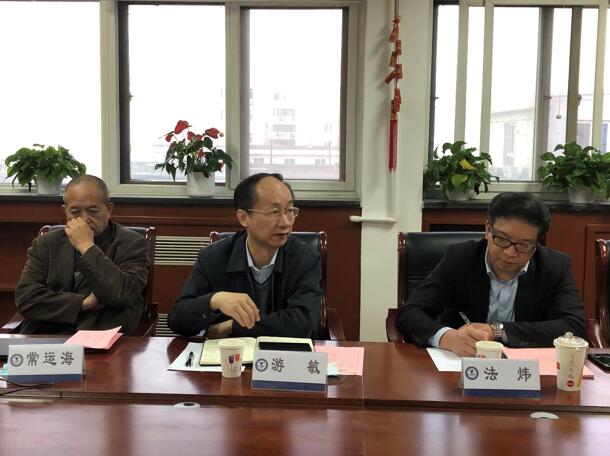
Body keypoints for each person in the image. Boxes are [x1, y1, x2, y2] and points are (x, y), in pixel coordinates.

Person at [396, 192, 586, 357]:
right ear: (488, 230)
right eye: (502, 239)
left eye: (523, 245)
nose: (510, 253)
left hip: (525, 370)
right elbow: (409, 313)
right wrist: (447, 337)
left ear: (537, 243)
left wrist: (497, 331)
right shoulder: (460, 258)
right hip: (461, 366)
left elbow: (574, 327)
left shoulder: (554, 266)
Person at [168, 173, 322, 339]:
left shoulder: (305, 258)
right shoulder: (214, 257)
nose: (286, 222)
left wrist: (233, 326)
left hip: (283, 353)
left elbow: (303, 323)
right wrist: (214, 300)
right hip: (230, 354)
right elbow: (177, 320)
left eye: (290, 210)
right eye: (274, 212)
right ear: (243, 218)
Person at [15, 175, 150, 335]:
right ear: (65, 211)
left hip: (99, 338)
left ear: (109, 209)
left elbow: (121, 295)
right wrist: (83, 303)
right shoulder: (47, 243)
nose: (85, 219)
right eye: (75, 212)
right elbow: (26, 299)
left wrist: (86, 246)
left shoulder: (131, 243)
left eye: (93, 211)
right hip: (45, 335)